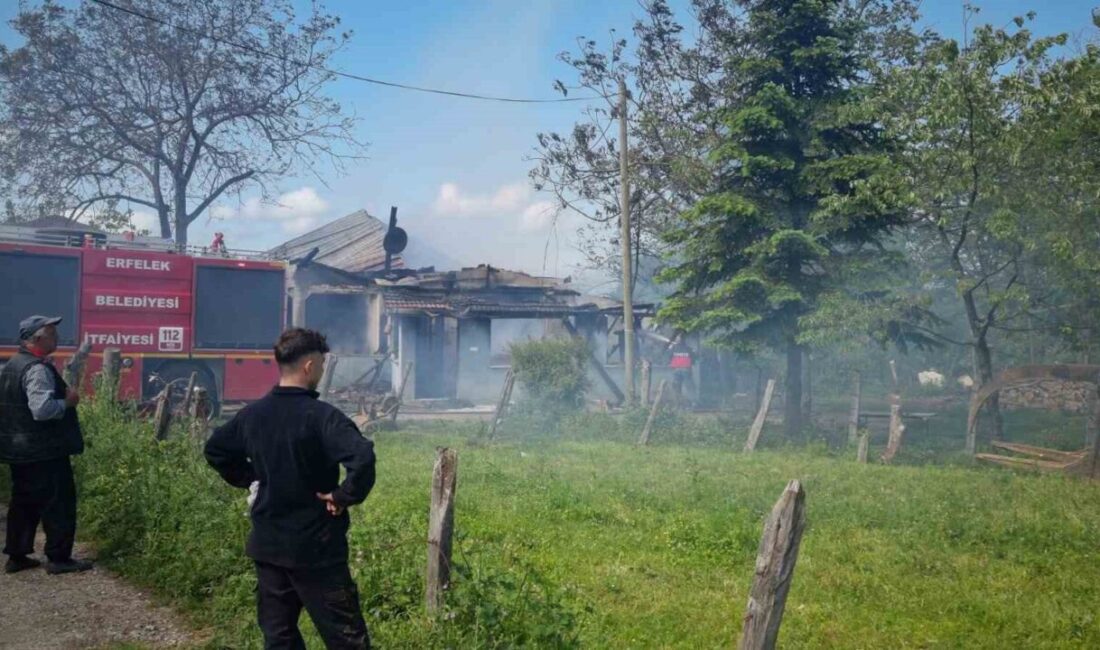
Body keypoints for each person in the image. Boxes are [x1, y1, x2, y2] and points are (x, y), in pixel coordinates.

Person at [204, 328, 376, 649]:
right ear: (309, 366)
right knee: (346, 639)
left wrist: (252, 478)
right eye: (321, 364)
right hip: (317, 549)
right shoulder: (323, 417)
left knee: (279, 637)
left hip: (268, 547)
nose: (322, 370)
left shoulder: (252, 415)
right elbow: (362, 456)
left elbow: (215, 449)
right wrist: (342, 496)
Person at [0, 316, 92, 575]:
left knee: (23, 502)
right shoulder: (37, 369)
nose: (57, 338)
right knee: (58, 503)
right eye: (52, 334)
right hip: (44, 450)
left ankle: (17, 556)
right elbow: (41, 410)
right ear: (38, 338)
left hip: (19, 449)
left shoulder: (12, 364)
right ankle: (59, 558)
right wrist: (68, 402)